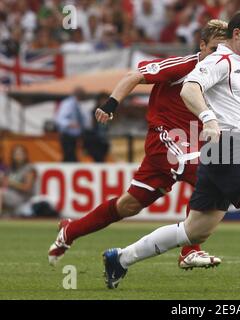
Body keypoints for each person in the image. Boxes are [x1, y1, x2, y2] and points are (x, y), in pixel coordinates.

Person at [102, 11, 240, 290]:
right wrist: (208, 119)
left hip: (220, 150)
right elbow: (190, 89)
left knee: (194, 229)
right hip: (228, 144)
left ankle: (120, 259)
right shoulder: (220, 59)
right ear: (237, 35)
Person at [48, 20, 230, 270]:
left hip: (190, 144)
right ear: (201, 46)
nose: (218, 56)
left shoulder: (224, 74)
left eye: (224, 50)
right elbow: (134, 75)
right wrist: (111, 104)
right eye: (214, 49)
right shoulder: (185, 65)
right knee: (207, 174)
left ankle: (70, 230)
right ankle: (190, 251)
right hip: (165, 138)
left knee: (128, 205)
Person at [0, 145, 37, 217]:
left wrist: (12, 183)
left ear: (25, 155)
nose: (18, 156)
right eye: (16, 154)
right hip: (9, 194)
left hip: (22, 197)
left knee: (0, 193)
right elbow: (5, 184)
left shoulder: (29, 169)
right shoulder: (10, 168)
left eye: (20, 154)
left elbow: (27, 188)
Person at [55, 87, 87, 162]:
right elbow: (59, 119)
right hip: (67, 136)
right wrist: (69, 124)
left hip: (74, 137)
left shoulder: (76, 104)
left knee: (72, 156)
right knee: (69, 156)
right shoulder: (68, 104)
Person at [83, 92, 111, 163]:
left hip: (104, 141)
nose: (104, 102)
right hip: (95, 141)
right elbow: (89, 127)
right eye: (103, 100)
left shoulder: (110, 112)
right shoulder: (94, 112)